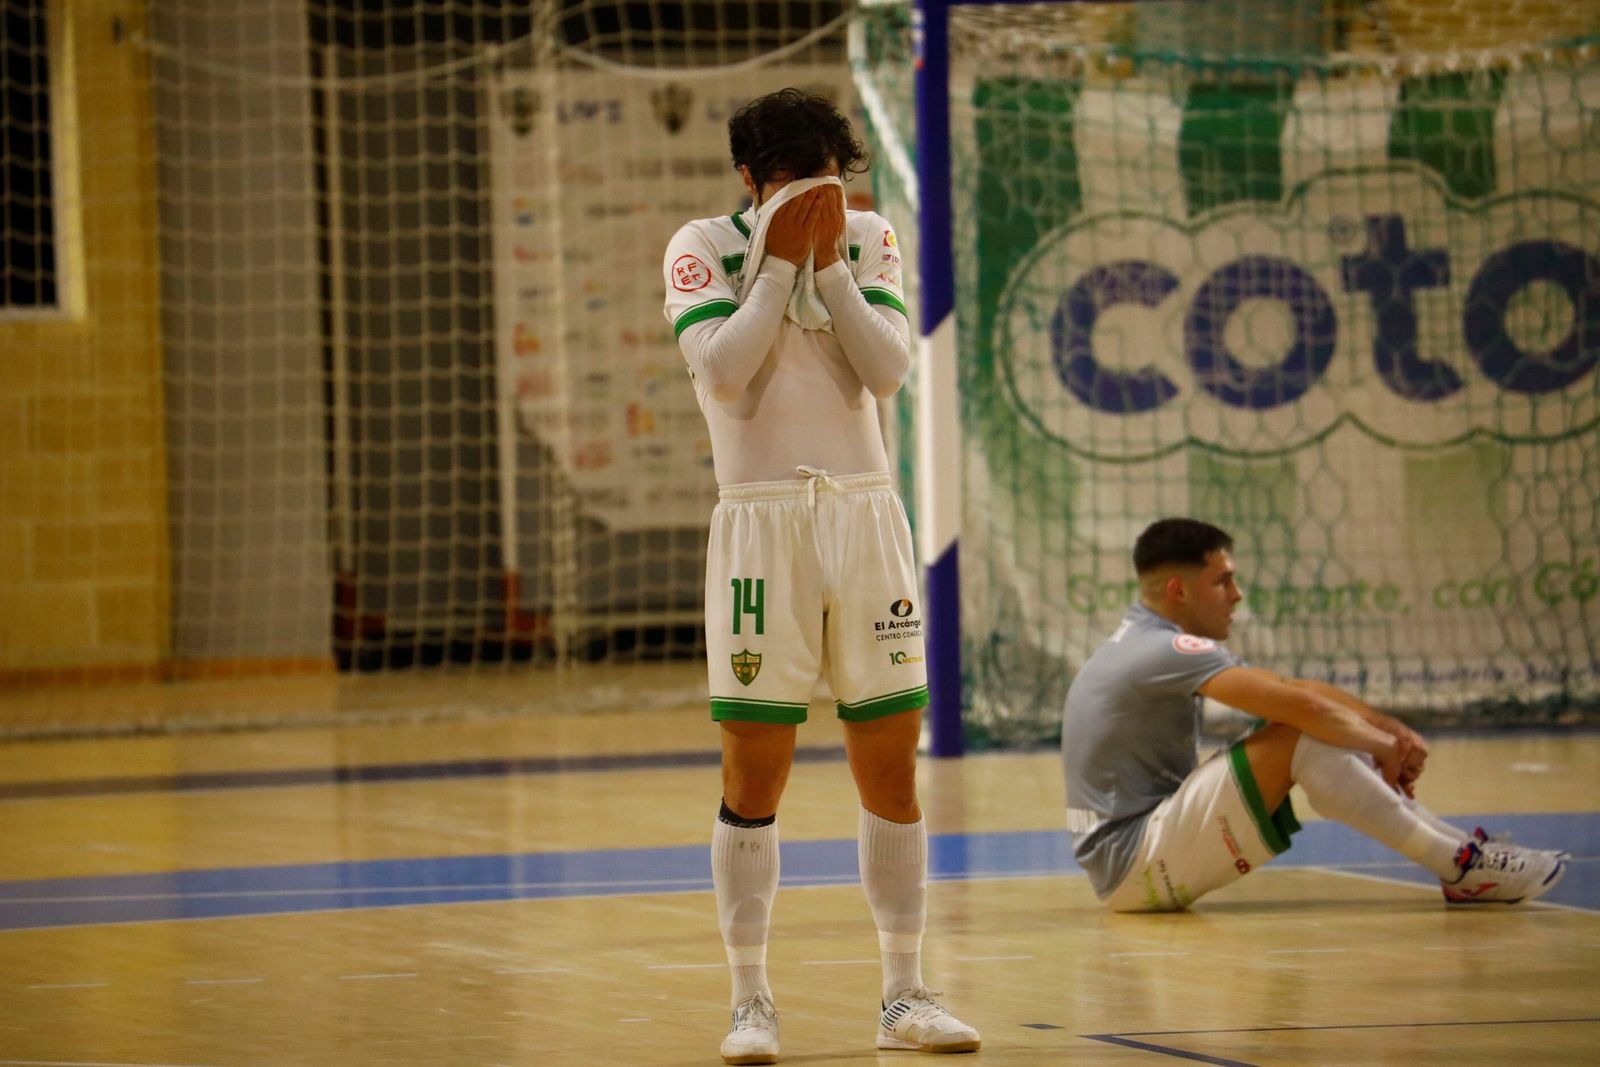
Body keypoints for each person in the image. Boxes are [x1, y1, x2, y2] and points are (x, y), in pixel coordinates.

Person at [661, 88, 981, 1064]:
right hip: (760, 523)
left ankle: (903, 990)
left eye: (832, 184)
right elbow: (722, 373)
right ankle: (750, 998)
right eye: (800, 186)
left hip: (863, 511)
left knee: (890, 759)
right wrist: (778, 264)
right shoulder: (701, 245)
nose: (822, 201)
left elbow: (885, 369)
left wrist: (831, 264)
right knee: (754, 768)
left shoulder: (869, 234)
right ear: (750, 180)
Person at [1062, 517, 1569, 913]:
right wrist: (1387, 749)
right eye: (1223, 581)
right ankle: (1462, 868)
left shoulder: (1147, 640)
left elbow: (1289, 687)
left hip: (1130, 860)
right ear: (1179, 590)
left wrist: (1388, 730)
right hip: (1135, 863)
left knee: (1304, 727)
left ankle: (1461, 857)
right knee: (1299, 732)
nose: (1236, 596)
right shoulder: (1166, 648)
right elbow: (1300, 708)